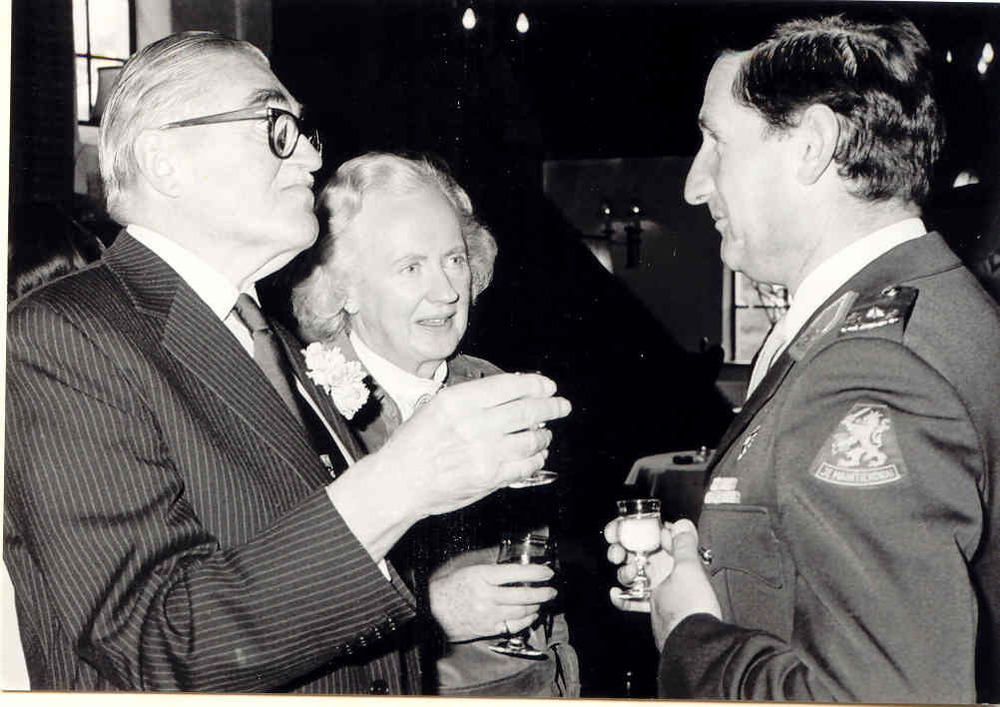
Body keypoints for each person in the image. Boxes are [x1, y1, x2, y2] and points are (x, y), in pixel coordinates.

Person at [4, 31, 571, 693]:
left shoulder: (266, 339)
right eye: (274, 125)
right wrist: (402, 481)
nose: (309, 154)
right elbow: (156, 644)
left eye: (302, 130)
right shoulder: (62, 334)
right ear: (164, 161)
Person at [605, 15, 1000, 703]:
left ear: (812, 146)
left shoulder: (872, 368)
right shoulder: (894, 311)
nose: (695, 183)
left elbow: (883, 696)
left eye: (716, 141)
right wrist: (710, 566)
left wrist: (690, 635)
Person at [291, 152, 580, 697]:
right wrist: (429, 612)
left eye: (454, 259)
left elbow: (539, 563)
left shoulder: (494, 387)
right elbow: (281, 616)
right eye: (411, 267)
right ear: (344, 287)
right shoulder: (303, 410)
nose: (447, 291)